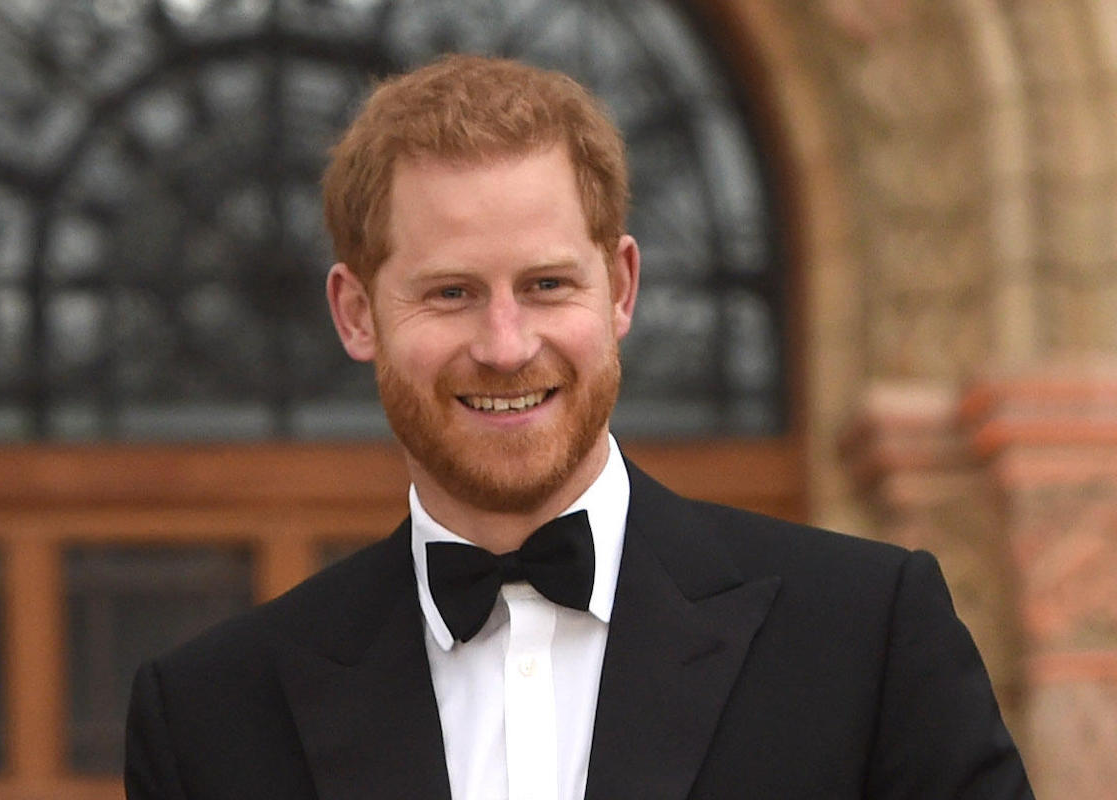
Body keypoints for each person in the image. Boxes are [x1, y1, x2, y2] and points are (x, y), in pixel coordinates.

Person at [124, 54, 1033, 799]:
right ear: (356, 314)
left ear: (622, 288)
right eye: (452, 293)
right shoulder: (210, 716)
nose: (506, 345)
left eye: (547, 285)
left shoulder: (867, 635)